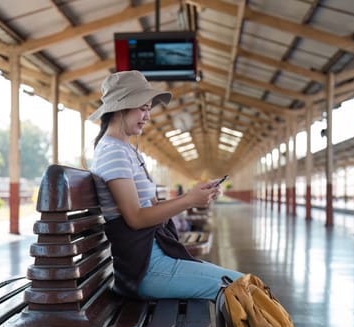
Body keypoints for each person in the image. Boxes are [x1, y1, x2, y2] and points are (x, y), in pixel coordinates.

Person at [89, 70, 243, 300]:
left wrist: (195, 195)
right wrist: (189, 200)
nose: (147, 116)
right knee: (243, 289)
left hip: (154, 257)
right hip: (146, 268)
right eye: (142, 108)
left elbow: (152, 209)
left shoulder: (126, 150)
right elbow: (136, 218)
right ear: (121, 107)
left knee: (247, 287)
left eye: (148, 109)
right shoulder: (113, 152)